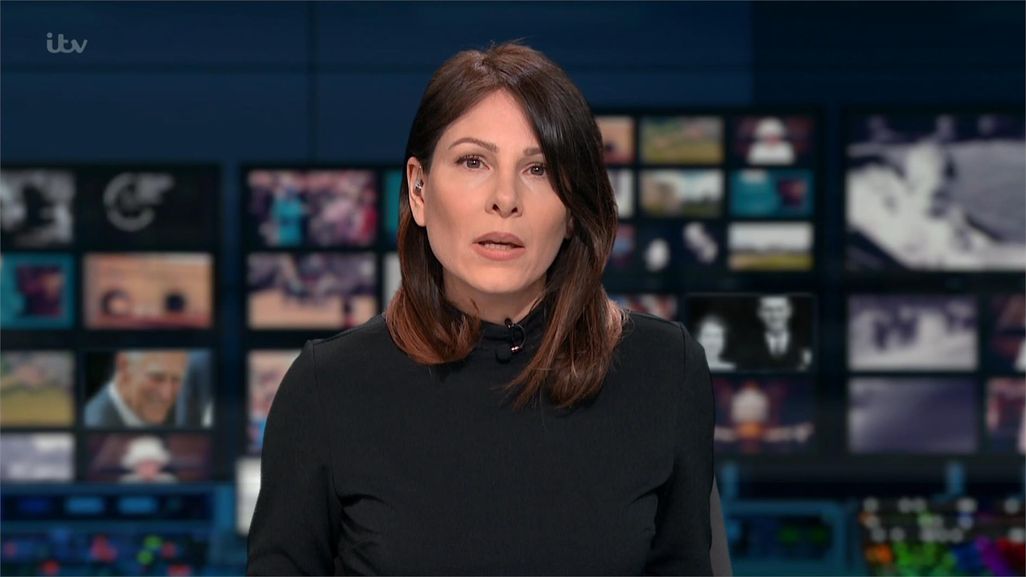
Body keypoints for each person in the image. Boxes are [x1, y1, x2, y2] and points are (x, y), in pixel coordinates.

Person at [247, 42, 716, 576]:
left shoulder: (665, 371)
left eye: (538, 168)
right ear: (418, 191)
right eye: (473, 161)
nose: (505, 198)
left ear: (573, 209)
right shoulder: (327, 387)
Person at [83, 351, 189, 427]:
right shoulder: (94, 425)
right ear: (124, 366)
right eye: (157, 378)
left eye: (176, 379)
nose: (166, 395)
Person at [737, 295, 811, 371]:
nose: (775, 316)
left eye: (780, 309)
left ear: (790, 311)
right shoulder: (745, 346)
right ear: (759, 313)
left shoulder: (808, 342)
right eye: (768, 310)